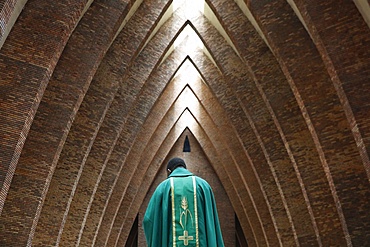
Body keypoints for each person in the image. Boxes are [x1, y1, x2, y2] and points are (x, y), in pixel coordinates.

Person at [143, 157, 225, 246]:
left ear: (169, 171)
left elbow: (148, 220)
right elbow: (211, 220)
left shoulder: (163, 188)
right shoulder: (203, 186)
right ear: (185, 168)